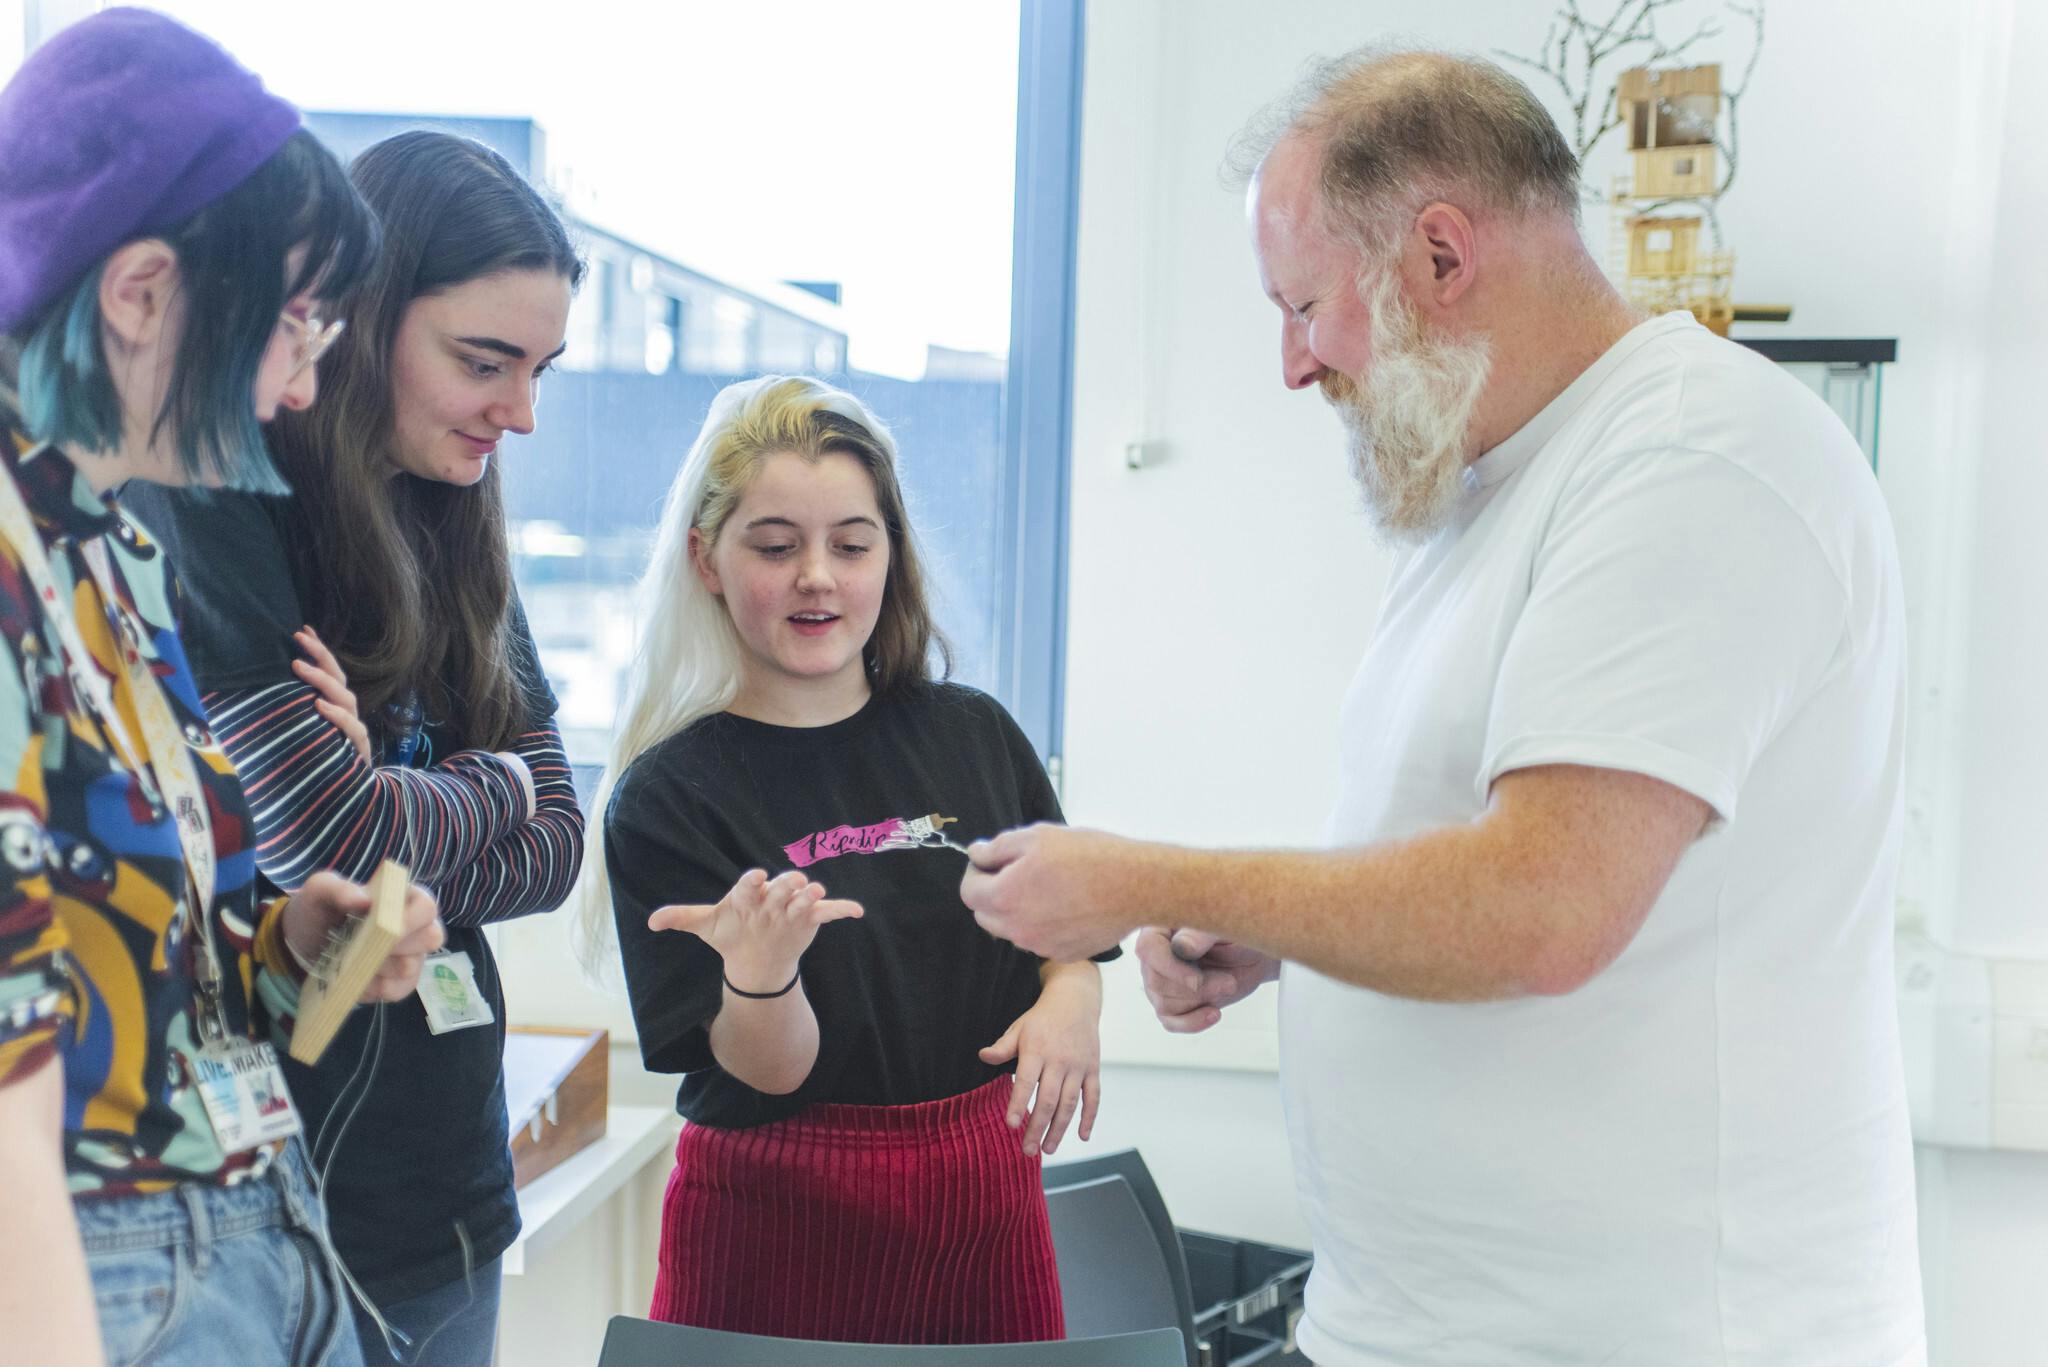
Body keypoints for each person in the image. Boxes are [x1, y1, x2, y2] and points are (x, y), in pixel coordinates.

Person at [960, 47, 1924, 1365]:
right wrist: (1278, 929)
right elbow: (1483, 858)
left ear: (1439, 255)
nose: (1293, 364)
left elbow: (1544, 908)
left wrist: (1148, 876)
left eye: (1303, 305)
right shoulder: (1493, 496)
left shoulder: (1695, 461)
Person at [0, 11, 444, 1366]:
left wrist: (289, 946)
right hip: (94, 1264)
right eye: (294, 317)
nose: (304, 381)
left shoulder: (113, 547)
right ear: (139, 291)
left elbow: (106, 948)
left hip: (247, 1227)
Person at [123, 131, 586, 1365]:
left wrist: (400, 793)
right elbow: (325, 837)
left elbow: (556, 844)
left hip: (443, 1183)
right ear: (358, 318)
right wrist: (480, 783)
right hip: (258, 1192)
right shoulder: (218, 485)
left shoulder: (457, 511)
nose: (521, 412)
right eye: (484, 363)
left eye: (541, 369)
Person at [581, 375, 1111, 1345]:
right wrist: (762, 974)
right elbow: (769, 1074)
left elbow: (1065, 931)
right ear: (706, 558)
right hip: (774, 1217)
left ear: (890, 557)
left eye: (851, 544)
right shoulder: (667, 798)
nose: (816, 575)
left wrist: (1071, 1000)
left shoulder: (976, 735)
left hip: (980, 1207)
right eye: (776, 546)